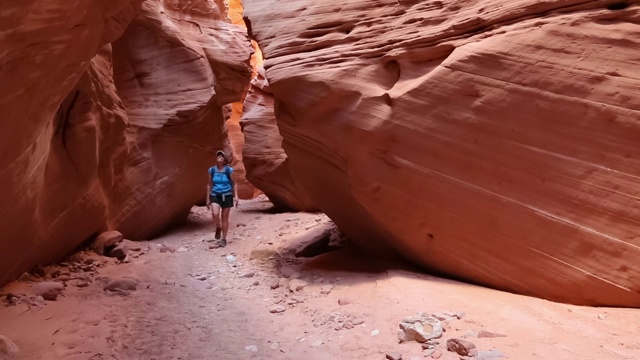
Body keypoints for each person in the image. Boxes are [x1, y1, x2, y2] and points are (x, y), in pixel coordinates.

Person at [206, 150, 238, 247]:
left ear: (225, 160)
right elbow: (209, 185)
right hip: (215, 194)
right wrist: (207, 198)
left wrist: (236, 196)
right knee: (215, 214)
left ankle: (224, 239)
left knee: (225, 218)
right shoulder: (211, 170)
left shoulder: (229, 170)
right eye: (218, 156)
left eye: (222, 156)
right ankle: (218, 227)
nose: (219, 157)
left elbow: (234, 183)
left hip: (227, 195)